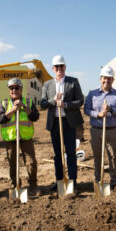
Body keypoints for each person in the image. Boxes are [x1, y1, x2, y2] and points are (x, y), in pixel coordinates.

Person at [41, 55, 84, 190]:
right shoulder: (47, 84)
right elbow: (42, 104)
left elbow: (80, 101)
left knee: (71, 153)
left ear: (65, 67)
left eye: (61, 66)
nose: (59, 68)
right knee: (58, 155)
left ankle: (72, 180)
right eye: (57, 66)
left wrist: (66, 104)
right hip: (54, 122)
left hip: (69, 123)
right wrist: (53, 100)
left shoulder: (73, 82)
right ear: (53, 68)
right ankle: (59, 180)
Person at [84, 66, 116, 190]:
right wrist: (98, 114)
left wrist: (111, 109)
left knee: (113, 157)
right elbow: (86, 110)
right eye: (104, 78)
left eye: (109, 78)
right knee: (97, 156)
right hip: (96, 130)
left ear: (112, 80)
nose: (106, 81)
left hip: (112, 130)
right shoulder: (92, 94)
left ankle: (114, 181)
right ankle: (98, 180)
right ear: (100, 79)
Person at [0, 78, 39, 190]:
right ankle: (15, 184)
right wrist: (13, 110)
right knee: (13, 163)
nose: (14, 90)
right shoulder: (4, 103)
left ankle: (33, 184)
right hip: (11, 138)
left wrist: (23, 106)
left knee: (31, 162)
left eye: (16, 88)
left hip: (26, 137)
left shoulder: (28, 102)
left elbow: (35, 117)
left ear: (21, 89)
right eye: (11, 88)